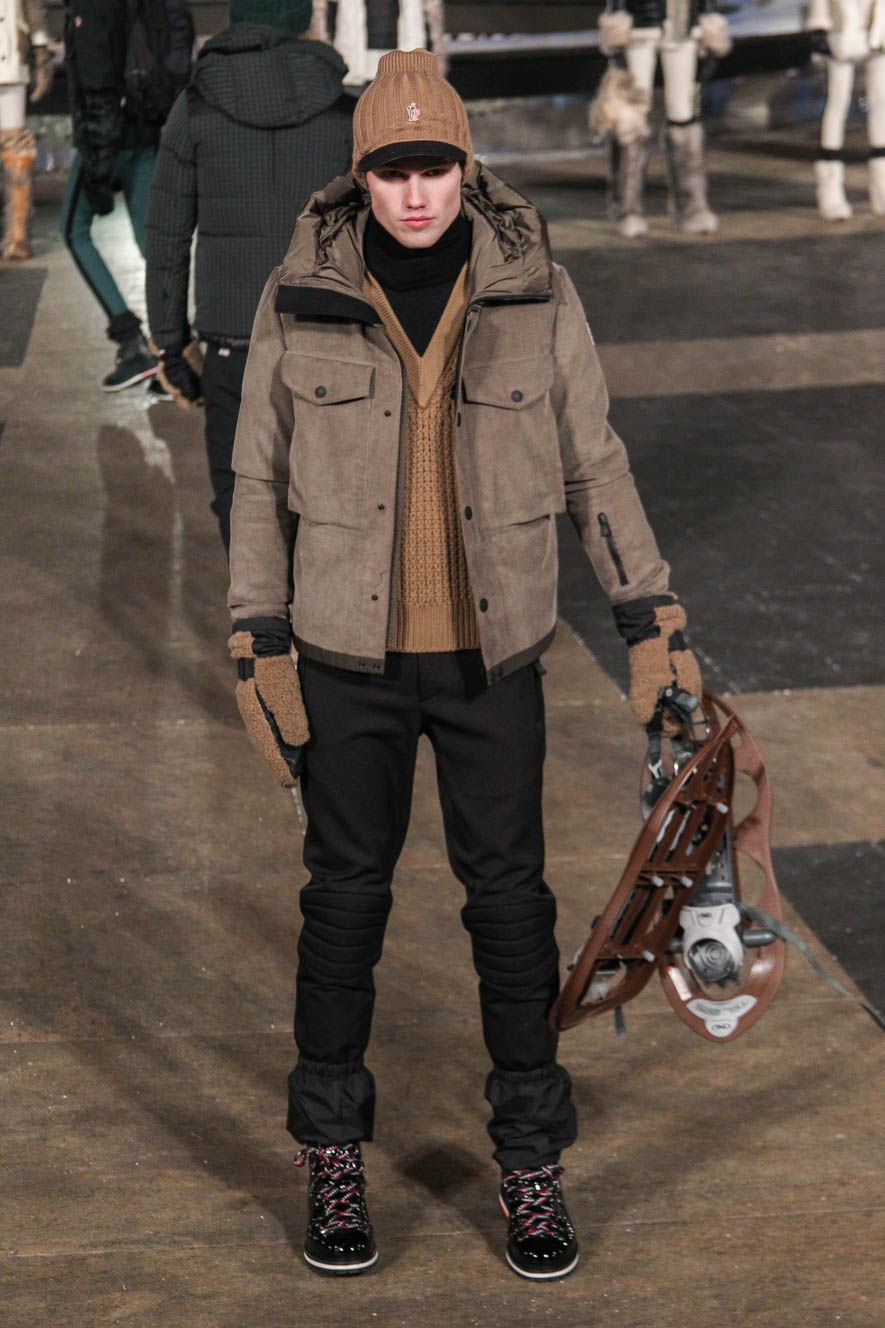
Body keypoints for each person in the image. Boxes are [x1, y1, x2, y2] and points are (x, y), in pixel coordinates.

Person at [226, 48, 702, 1280]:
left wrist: (650, 615)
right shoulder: (301, 291)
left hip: (496, 661)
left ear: (466, 167)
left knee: (512, 912)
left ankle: (532, 1161)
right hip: (346, 659)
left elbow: (594, 462)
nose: (416, 193)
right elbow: (258, 477)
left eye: (434, 167)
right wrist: (256, 634)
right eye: (393, 170)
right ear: (362, 176)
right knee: (344, 906)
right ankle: (332, 1151)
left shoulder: (536, 290)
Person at [145, 0, 354, 554]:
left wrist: (170, 346)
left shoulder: (195, 108)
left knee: (241, 502)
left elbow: (166, 239)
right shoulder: (346, 113)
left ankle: (261, 609)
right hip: (329, 340)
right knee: (330, 504)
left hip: (233, 347)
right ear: (303, 19)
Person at [60, 0, 193, 390]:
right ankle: (176, 357)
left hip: (108, 139)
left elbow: (98, 84)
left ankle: (131, 343)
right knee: (152, 244)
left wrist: (98, 164)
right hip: (147, 133)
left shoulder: (92, 7)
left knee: (74, 231)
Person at [593, 0, 732, 236]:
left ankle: (692, 208)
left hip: (682, 29)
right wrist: (618, 22)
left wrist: (708, 19)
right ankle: (627, 209)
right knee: (631, 117)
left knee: (684, 114)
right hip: (640, 28)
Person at [806, 0, 885, 219]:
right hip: (842, 37)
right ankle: (830, 192)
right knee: (836, 105)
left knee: (881, 106)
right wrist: (819, 27)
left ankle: (882, 187)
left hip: (878, 35)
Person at [0, 0, 53, 259]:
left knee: (16, 150)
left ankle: (17, 233)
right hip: (11, 55)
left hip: (10, 56)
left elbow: (33, 7)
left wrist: (41, 53)